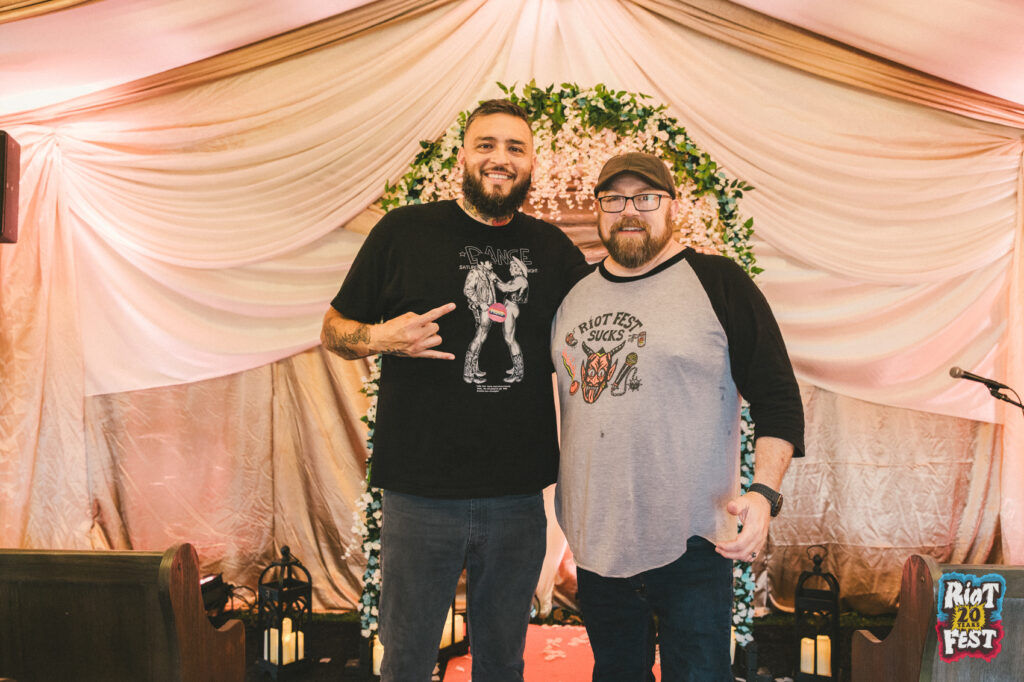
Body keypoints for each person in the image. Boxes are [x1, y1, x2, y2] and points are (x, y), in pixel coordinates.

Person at [322, 99, 589, 682]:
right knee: (407, 661)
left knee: (503, 664)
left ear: (531, 163)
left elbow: (601, 326)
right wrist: (381, 337)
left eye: (515, 148)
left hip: (517, 498)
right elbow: (334, 330)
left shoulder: (552, 251)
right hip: (420, 496)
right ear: (462, 157)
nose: (500, 158)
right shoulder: (403, 232)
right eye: (486, 145)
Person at [550, 152, 805, 681]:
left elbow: (778, 397)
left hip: (694, 543)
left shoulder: (718, 282)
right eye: (614, 199)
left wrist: (764, 494)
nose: (629, 211)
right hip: (597, 541)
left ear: (672, 206)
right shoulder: (570, 296)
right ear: (598, 209)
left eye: (645, 198)